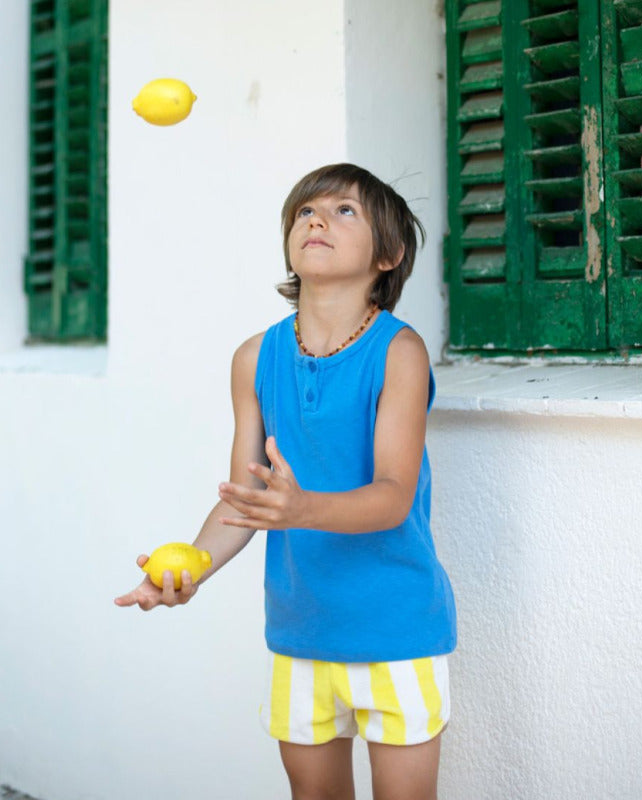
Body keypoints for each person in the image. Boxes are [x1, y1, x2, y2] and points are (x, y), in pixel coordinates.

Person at [115, 163, 457, 800]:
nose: (317, 219)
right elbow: (245, 501)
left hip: (397, 627)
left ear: (390, 253)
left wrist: (300, 508)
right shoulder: (254, 357)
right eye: (305, 211)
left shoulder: (398, 351)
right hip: (301, 629)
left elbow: (392, 498)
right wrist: (188, 568)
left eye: (344, 211)